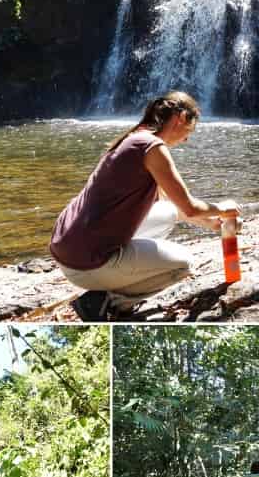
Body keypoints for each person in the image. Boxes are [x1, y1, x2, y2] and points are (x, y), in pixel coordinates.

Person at [50, 91, 240, 320]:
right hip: (85, 263)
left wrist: (214, 225)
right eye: (190, 130)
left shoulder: (135, 139)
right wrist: (224, 207)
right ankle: (107, 302)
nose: (187, 139)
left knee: (168, 211)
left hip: (69, 248)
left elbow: (177, 207)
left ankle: (111, 283)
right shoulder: (153, 148)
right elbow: (190, 207)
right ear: (180, 118)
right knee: (183, 264)